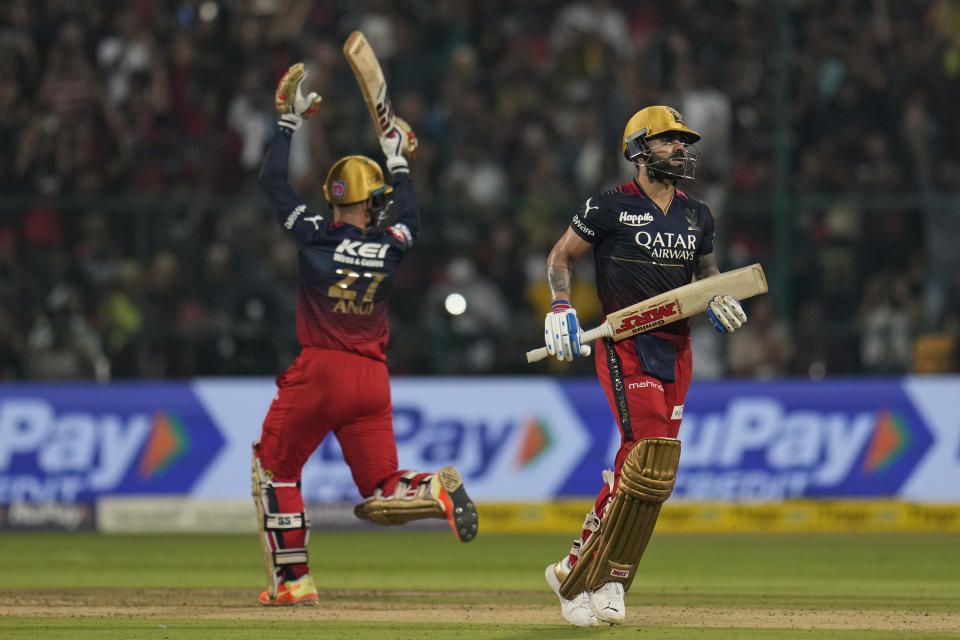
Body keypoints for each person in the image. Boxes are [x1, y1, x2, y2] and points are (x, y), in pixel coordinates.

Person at [252, 63, 478, 606]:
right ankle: (430, 491)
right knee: (382, 486)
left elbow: (271, 183)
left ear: (333, 198)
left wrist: (288, 124)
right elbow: (412, 217)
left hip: (320, 369)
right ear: (374, 201)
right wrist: (399, 162)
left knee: (275, 466)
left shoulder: (312, 234)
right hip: (372, 379)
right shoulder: (391, 244)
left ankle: (292, 581)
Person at [540, 106, 747, 626]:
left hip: (677, 350)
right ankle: (597, 575)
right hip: (625, 343)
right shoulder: (609, 206)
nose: (680, 149)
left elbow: (707, 277)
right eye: (668, 141)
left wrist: (719, 300)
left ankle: (586, 569)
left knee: (659, 470)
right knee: (644, 455)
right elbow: (560, 256)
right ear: (638, 150)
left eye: (683, 142)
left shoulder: (698, 213)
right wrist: (562, 306)